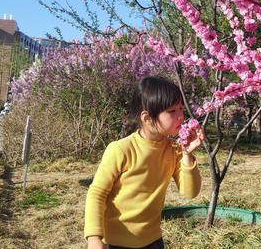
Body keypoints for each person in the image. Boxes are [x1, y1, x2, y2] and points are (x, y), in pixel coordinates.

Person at [84, 76, 203, 249]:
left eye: (181, 109)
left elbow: (189, 192)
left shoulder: (174, 150)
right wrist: (94, 238)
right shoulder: (121, 150)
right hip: (117, 242)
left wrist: (187, 155)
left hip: (153, 241)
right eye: (172, 111)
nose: (180, 116)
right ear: (147, 118)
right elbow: (97, 193)